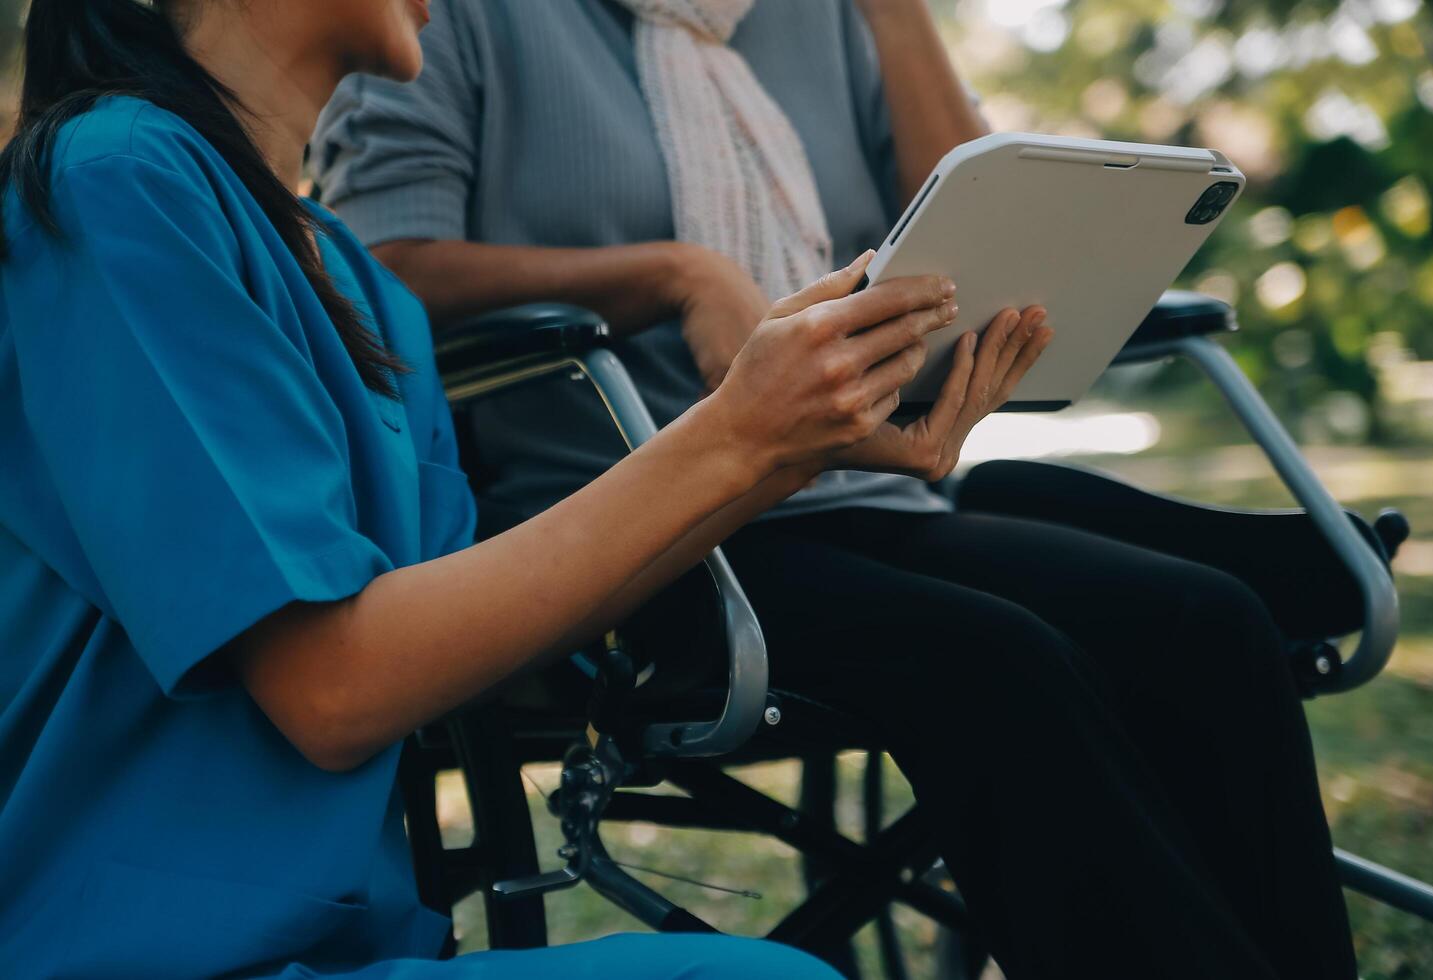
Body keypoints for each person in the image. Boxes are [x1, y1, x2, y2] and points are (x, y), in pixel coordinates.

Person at [0, 0, 1051, 977]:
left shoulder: (357, 283)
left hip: (348, 939)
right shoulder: (114, 179)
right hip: (125, 948)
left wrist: (795, 445)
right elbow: (335, 686)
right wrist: (736, 433)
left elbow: (457, 635)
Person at [311, 1, 1360, 977]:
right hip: (641, 523)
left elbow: (997, 216)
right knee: (994, 659)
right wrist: (676, 272)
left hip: (867, 488)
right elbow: (384, 270)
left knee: (1208, 619)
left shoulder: (822, 17)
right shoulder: (445, 16)